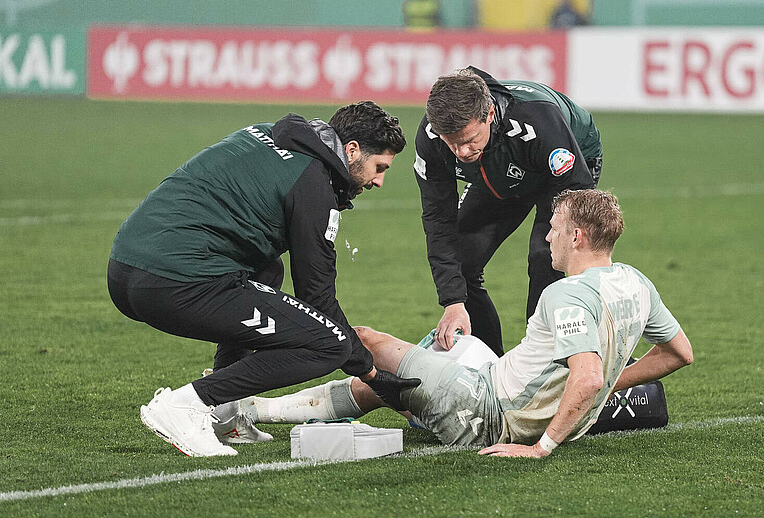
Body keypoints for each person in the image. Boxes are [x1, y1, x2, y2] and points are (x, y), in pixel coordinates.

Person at [244, 189, 693, 457]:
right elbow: (679, 353)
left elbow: (589, 376)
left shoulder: (567, 295)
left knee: (364, 341)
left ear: (577, 236)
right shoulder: (636, 282)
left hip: (487, 412)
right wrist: (611, 382)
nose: (548, 236)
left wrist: (542, 447)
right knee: (444, 346)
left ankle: (250, 405)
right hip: (495, 379)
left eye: (554, 227)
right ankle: (260, 410)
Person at [107, 102, 420, 457]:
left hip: (124, 271)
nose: (379, 181)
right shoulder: (313, 183)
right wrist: (371, 373)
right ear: (350, 150)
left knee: (267, 270)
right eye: (379, 167)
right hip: (172, 282)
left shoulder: (267, 133)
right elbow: (317, 294)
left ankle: (225, 413)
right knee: (329, 345)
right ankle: (187, 404)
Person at [414, 67, 602, 357]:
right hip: (502, 164)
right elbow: (438, 221)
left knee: (546, 256)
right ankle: (491, 366)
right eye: (453, 143)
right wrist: (453, 303)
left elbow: (581, 201)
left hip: (567, 163)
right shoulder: (432, 136)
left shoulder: (538, 121)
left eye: (468, 139)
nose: (462, 152)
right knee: (462, 258)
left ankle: (542, 358)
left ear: (489, 114)